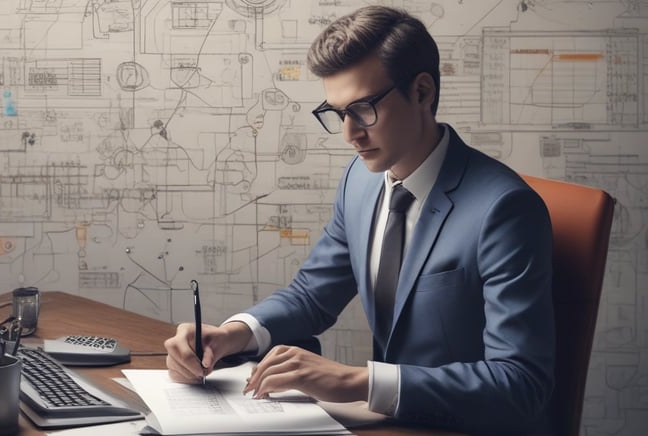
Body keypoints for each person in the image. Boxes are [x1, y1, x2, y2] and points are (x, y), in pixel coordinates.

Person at [164, 5, 555, 435]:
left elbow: (521, 384)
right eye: (337, 113)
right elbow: (312, 295)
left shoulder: (505, 210)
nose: (350, 134)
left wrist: (355, 381)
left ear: (422, 92)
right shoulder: (361, 181)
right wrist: (233, 334)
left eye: (364, 109)